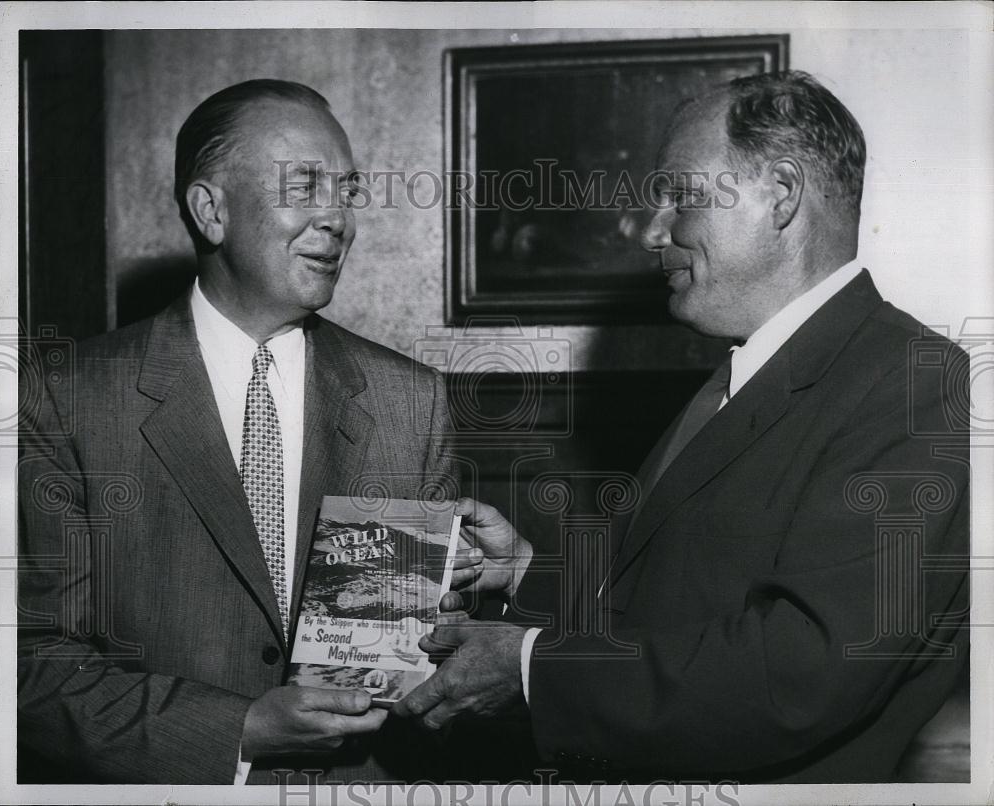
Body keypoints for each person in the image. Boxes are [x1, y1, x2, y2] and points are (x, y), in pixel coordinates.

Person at [394, 71, 970, 783]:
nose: (650, 229)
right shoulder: (746, 371)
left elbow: (802, 672)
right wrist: (530, 575)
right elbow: (677, 597)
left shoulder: (914, 381)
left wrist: (531, 669)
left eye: (680, 194)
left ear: (781, 196)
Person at [17, 79, 471, 784]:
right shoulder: (67, 396)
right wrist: (238, 731)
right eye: (306, 185)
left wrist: (478, 591)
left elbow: (431, 661)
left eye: (347, 191)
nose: (337, 219)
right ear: (210, 211)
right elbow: (31, 664)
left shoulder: (409, 401)